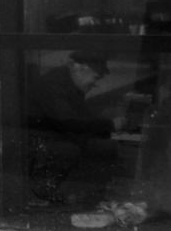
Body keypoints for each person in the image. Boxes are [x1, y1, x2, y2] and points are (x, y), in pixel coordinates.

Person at [27, 52, 130, 204]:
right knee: (69, 150)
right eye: (95, 77)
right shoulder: (52, 85)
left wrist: (103, 120)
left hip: (55, 135)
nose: (96, 84)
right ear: (81, 70)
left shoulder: (70, 83)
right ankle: (43, 192)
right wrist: (109, 124)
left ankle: (95, 193)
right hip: (38, 139)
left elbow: (79, 117)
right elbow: (68, 122)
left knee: (108, 147)